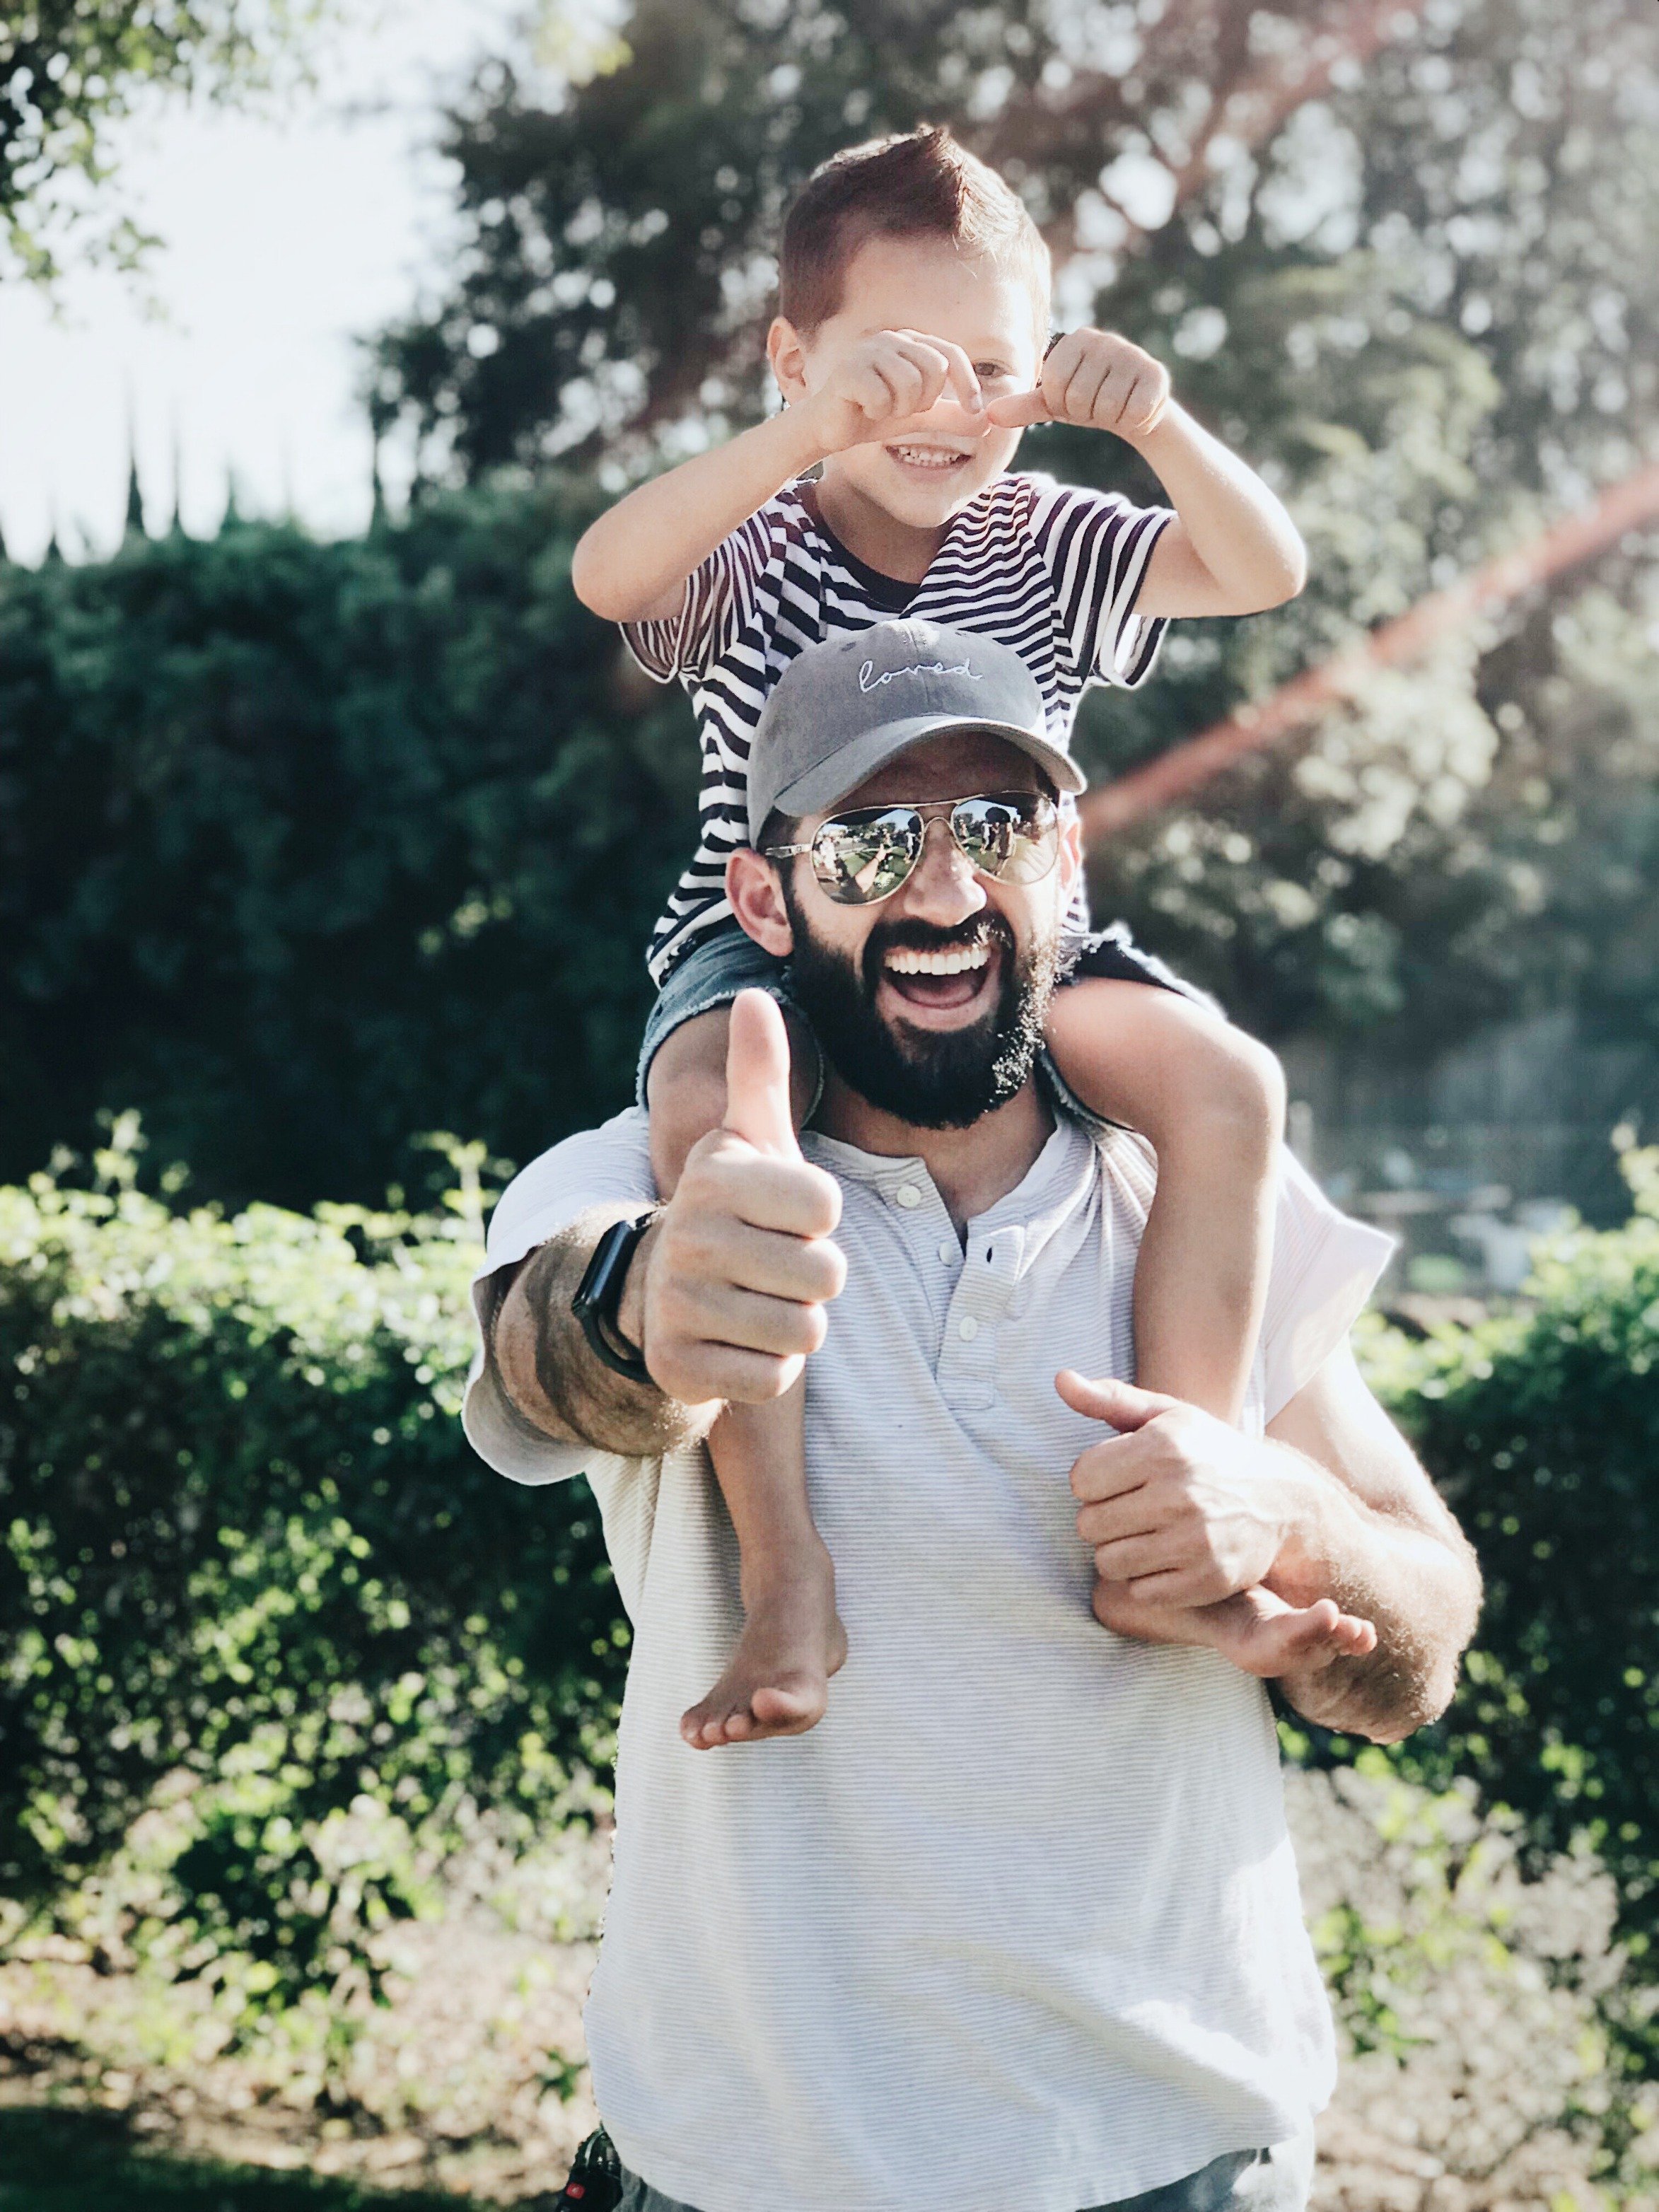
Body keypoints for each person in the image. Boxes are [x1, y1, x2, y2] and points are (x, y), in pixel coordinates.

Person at [464, 626, 1484, 2212]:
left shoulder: (1202, 1195)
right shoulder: (652, 1182)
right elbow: (552, 1354)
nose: (942, 891)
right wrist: (649, 1306)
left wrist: (1295, 1524)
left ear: (1066, 863)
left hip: (1189, 2164)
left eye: (995, 829)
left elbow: (1426, 1633)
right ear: (765, 898)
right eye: (872, 841)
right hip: (758, 2178)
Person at [569, 125, 1315, 1749]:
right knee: (718, 1129)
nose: (946, 408)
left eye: (990, 365)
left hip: (1013, 954)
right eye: (894, 370)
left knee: (1228, 1084)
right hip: (760, 947)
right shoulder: (758, 543)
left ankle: (1171, 1508)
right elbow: (606, 570)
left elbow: (1266, 570)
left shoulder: (1045, 537)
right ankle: (786, 1578)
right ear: (798, 361)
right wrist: (795, 442)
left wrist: (1160, 422)